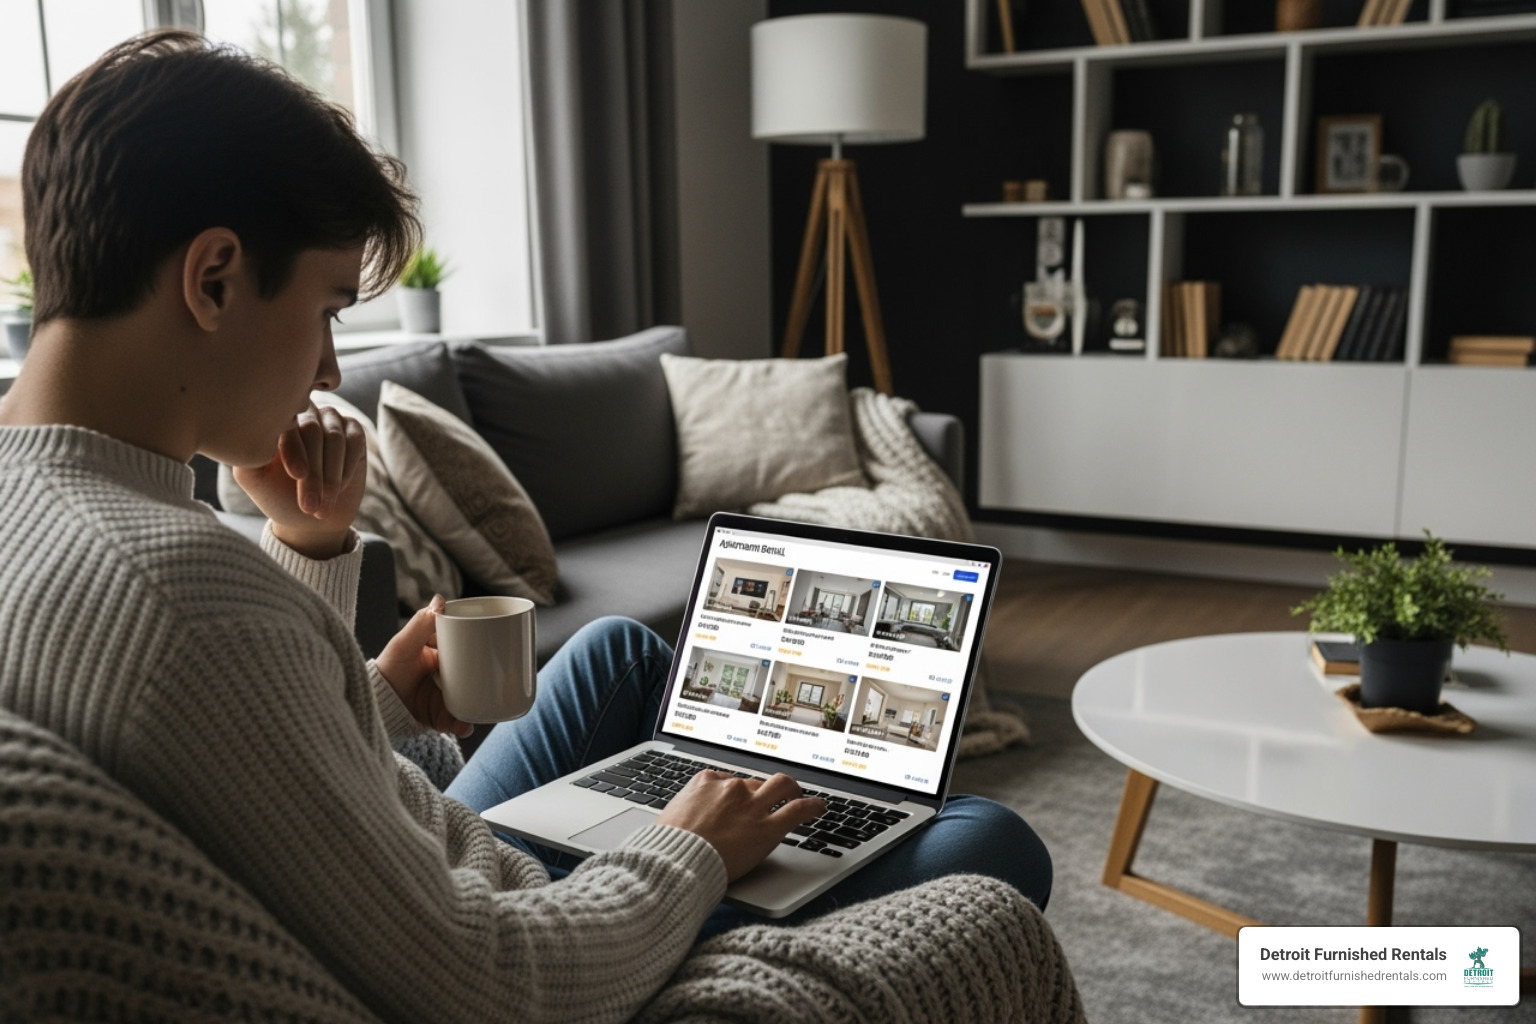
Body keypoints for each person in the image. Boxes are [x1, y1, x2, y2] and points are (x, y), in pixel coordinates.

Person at [0, 30, 1051, 1024]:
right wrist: (687, 851)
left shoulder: (55, 514)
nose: (328, 367)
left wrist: (336, 611)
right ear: (214, 276)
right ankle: (799, 825)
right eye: (328, 308)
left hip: (445, 868)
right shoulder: (183, 592)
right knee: (988, 837)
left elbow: (253, 772)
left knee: (617, 656)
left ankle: (763, 806)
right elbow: (492, 985)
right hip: (536, 935)